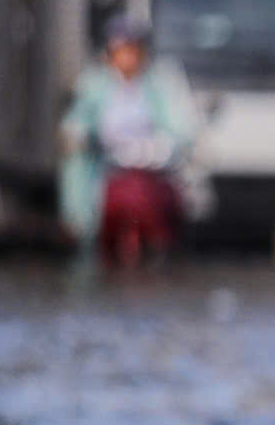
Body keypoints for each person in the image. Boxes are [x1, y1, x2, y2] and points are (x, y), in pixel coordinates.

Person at [59, 14, 202, 266]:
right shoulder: (95, 84)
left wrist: (158, 148)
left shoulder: (161, 83)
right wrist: (79, 135)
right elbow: (76, 123)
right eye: (120, 51)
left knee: (148, 203)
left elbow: (182, 128)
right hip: (107, 172)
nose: (126, 58)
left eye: (131, 50)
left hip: (152, 175)